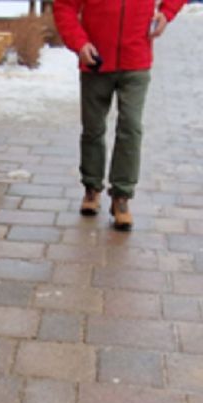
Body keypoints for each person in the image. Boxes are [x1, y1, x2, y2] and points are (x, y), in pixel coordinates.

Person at [53, 0, 185, 230]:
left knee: (131, 127)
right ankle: (92, 188)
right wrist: (80, 43)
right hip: (95, 60)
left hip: (136, 60)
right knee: (93, 128)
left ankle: (121, 196)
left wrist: (167, 12)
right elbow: (64, 6)